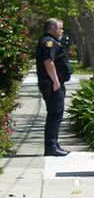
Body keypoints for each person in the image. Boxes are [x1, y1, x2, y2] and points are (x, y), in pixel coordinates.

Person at [35, 18, 72, 157]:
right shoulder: (48, 42)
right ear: (51, 28)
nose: (62, 31)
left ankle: (54, 144)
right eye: (60, 28)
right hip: (51, 84)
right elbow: (48, 62)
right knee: (55, 114)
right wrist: (55, 81)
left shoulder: (52, 41)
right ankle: (51, 147)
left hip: (54, 83)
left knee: (57, 114)